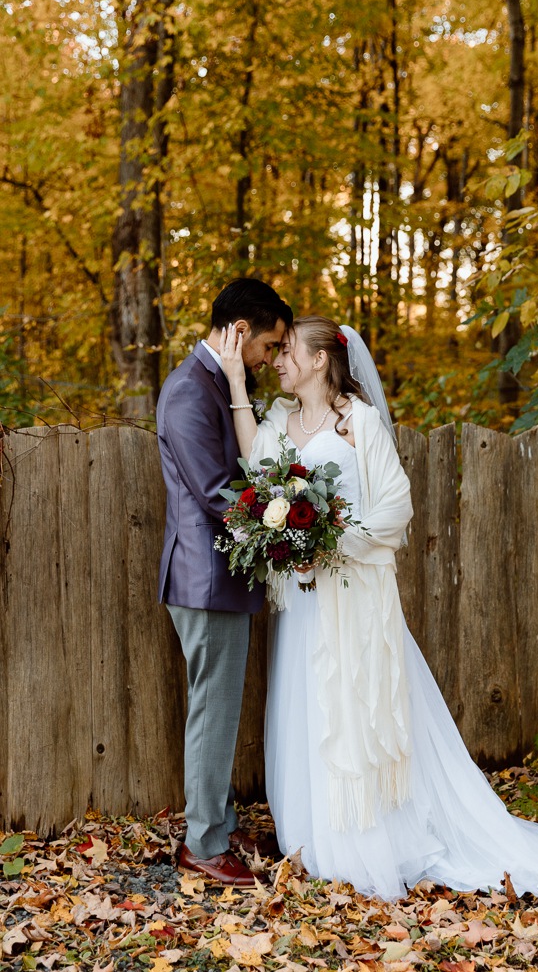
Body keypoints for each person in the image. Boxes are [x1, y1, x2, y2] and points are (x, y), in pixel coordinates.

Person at [220, 315, 538, 910]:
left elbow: (395, 506)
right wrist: (238, 391)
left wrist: (328, 543)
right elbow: (257, 473)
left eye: (289, 350)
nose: (278, 360)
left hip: (352, 594)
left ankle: (367, 840)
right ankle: (316, 836)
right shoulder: (277, 420)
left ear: (322, 359)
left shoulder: (359, 422)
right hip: (302, 601)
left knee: (356, 706)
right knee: (309, 704)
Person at [156, 277, 292, 886]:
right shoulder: (188, 390)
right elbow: (216, 491)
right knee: (212, 711)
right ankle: (204, 844)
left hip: (219, 577)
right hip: (206, 577)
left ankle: (220, 820)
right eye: (268, 345)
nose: (270, 358)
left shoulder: (213, 382)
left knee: (221, 707)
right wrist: (281, 519)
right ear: (239, 332)